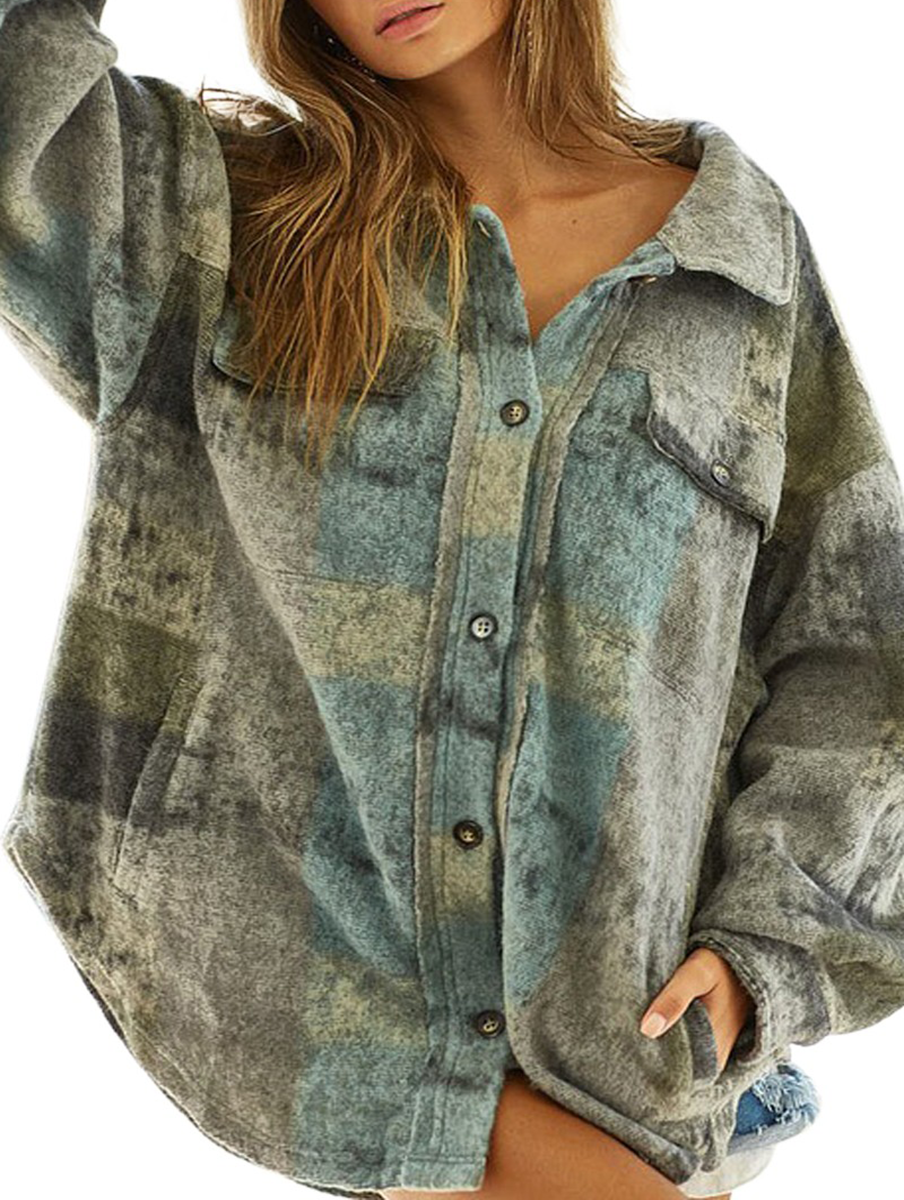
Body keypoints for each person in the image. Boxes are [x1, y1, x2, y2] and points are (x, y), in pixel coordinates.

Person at [1, 3, 900, 1199]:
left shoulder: (732, 255)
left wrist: (767, 952)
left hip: (623, 1057)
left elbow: (857, 648)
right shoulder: (216, 215)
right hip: (304, 1022)